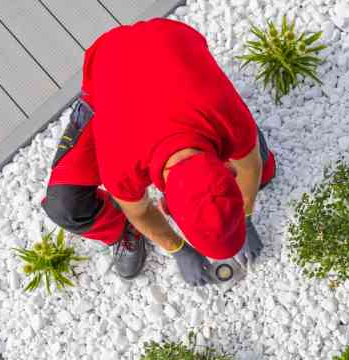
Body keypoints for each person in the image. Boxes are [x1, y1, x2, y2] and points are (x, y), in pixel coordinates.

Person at [42, 18, 276, 286]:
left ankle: (242, 145)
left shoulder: (229, 123)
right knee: (65, 206)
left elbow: (250, 167)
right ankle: (121, 231)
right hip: (110, 58)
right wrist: (178, 249)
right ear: (164, 207)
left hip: (170, 37)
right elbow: (140, 212)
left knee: (259, 164)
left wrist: (244, 219)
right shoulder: (122, 168)